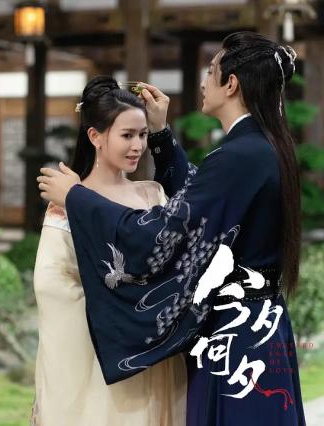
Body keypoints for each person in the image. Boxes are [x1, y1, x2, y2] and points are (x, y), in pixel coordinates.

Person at [37, 31, 305, 425]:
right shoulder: (261, 147)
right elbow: (199, 208)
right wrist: (161, 136)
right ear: (95, 136)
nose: (203, 82)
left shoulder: (239, 155)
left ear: (231, 84)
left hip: (236, 336)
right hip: (254, 323)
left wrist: (76, 197)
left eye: (210, 71)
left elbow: (161, 235)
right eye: (128, 135)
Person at [32, 76, 186, 426]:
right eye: (127, 135)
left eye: (143, 135)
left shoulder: (153, 194)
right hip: (103, 351)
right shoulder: (66, 203)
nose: (137, 146)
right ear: (95, 136)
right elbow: (52, 284)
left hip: (156, 345)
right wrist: (120, 308)